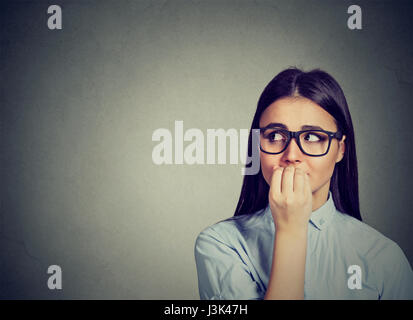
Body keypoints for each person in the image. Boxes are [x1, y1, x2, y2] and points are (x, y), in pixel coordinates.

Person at [194, 67, 413, 300]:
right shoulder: (221, 244)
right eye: (275, 136)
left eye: (312, 137)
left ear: (340, 149)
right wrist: (290, 230)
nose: (292, 154)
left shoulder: (384, 258)